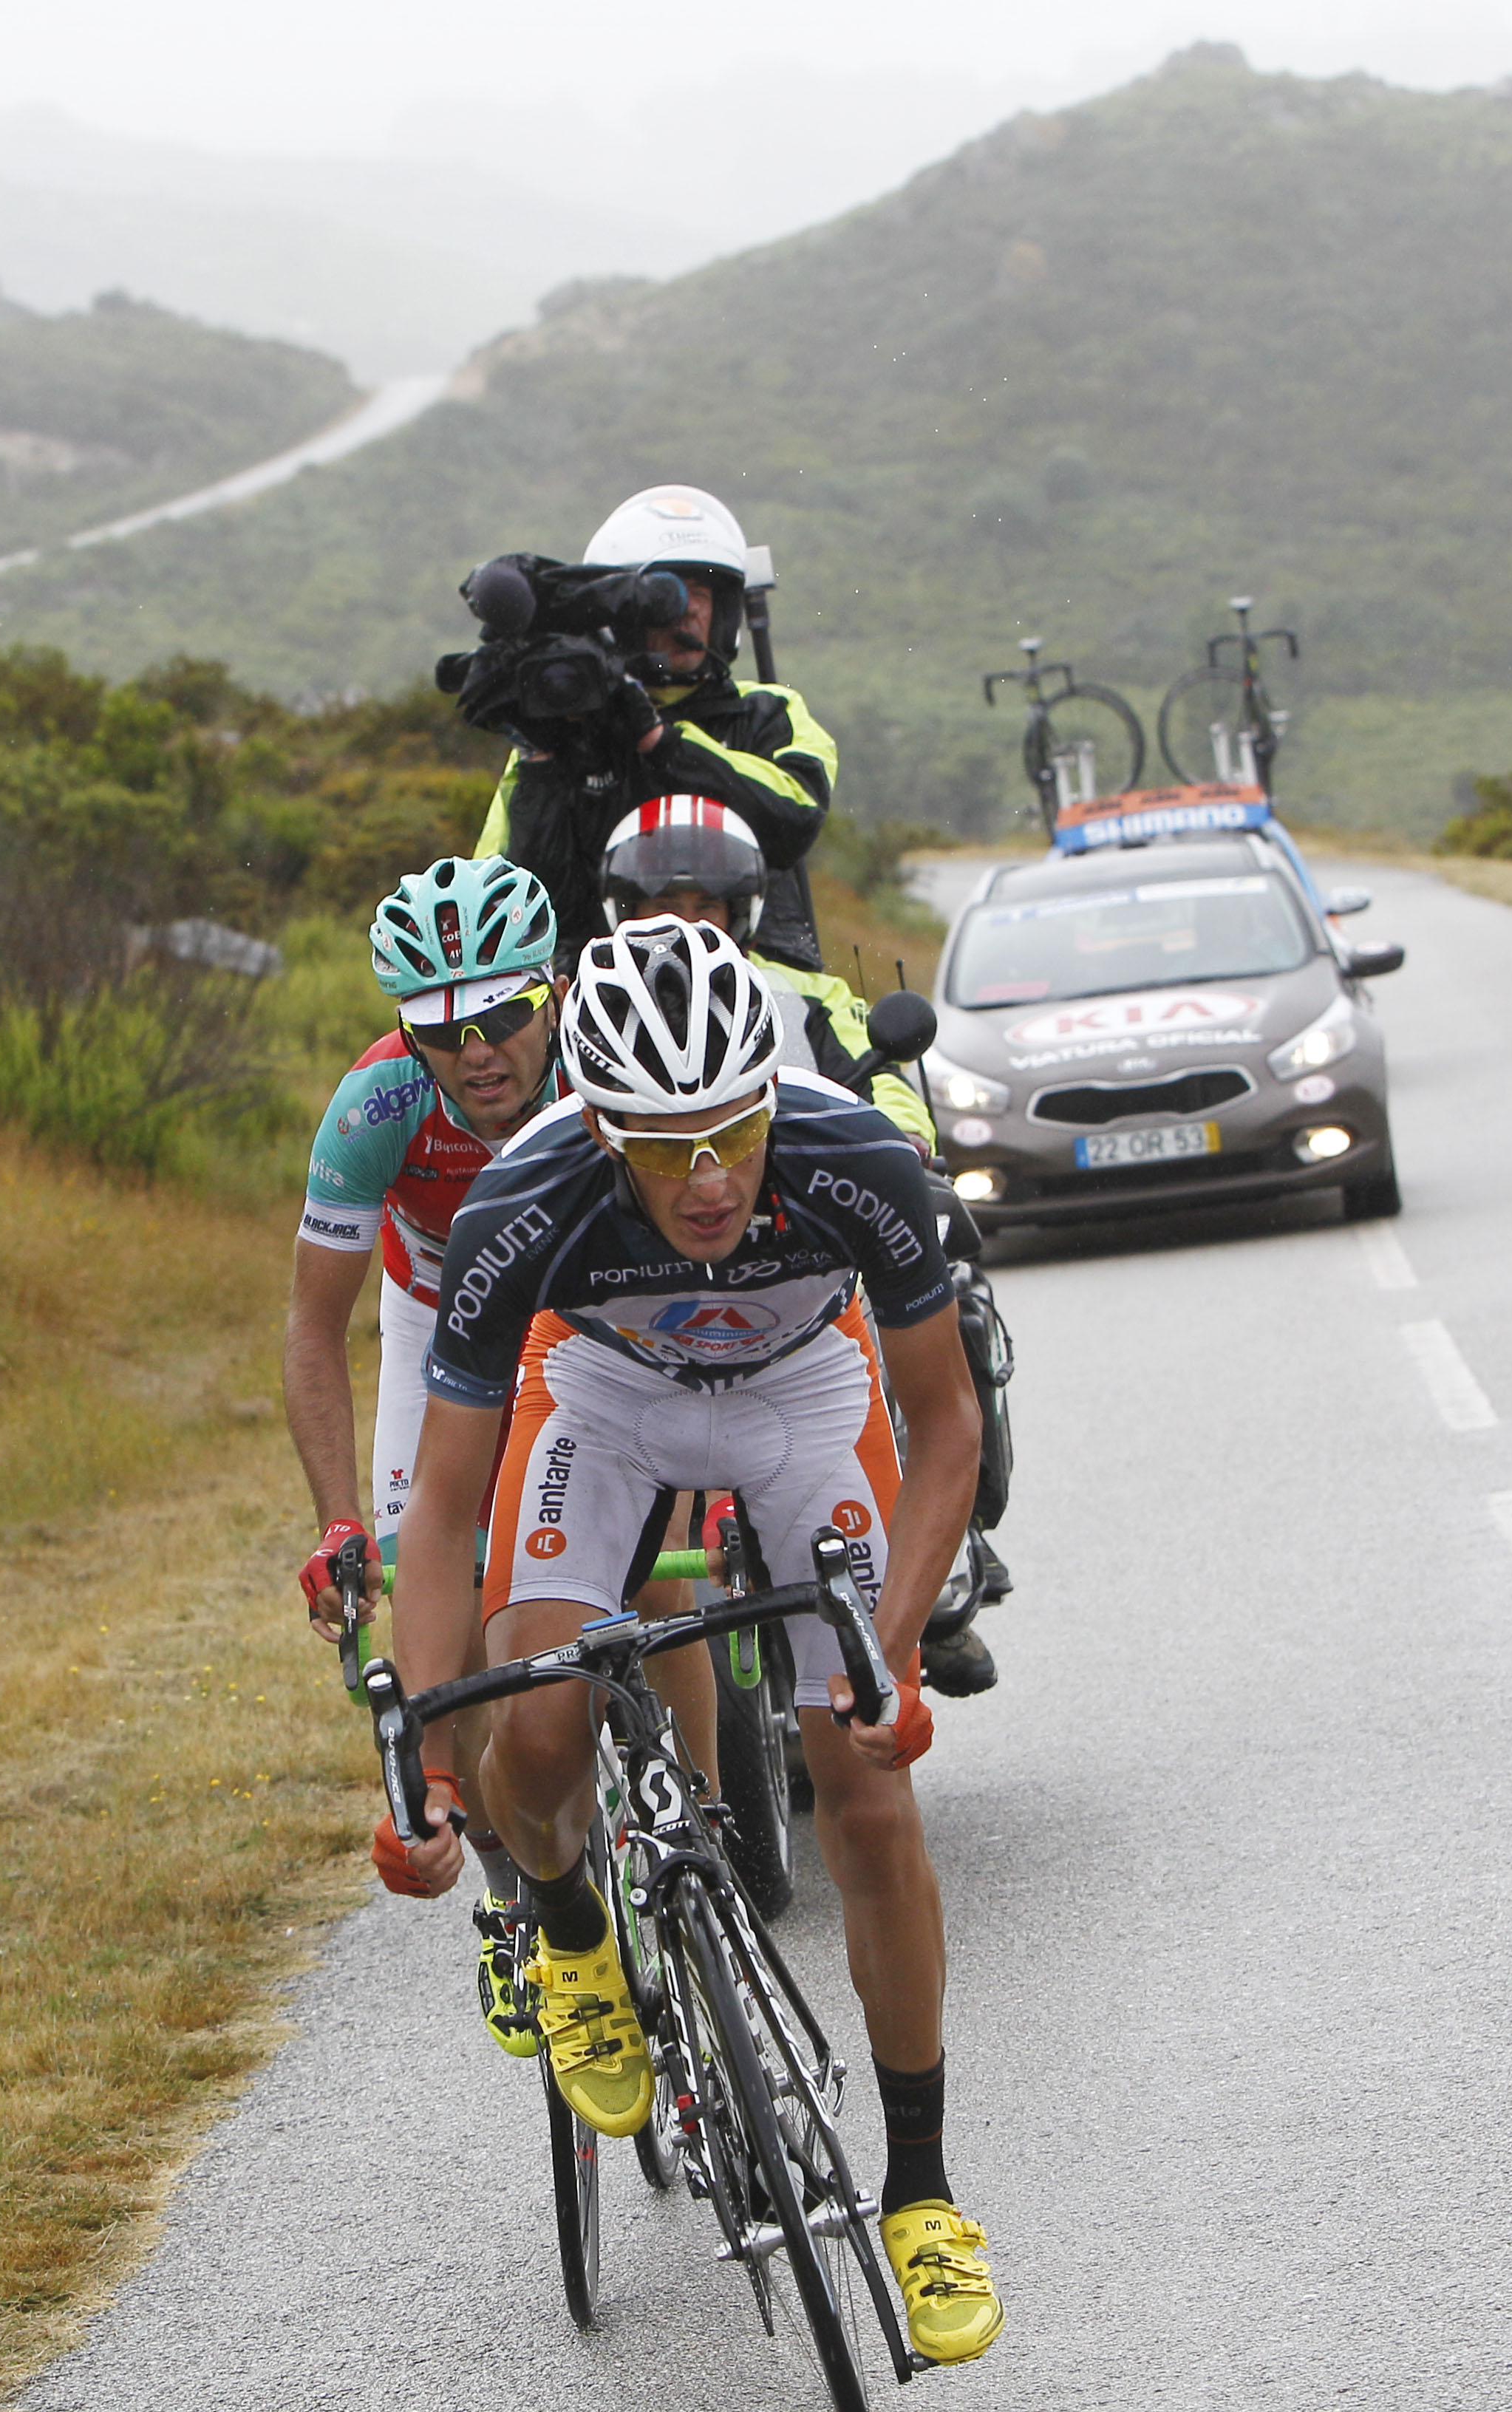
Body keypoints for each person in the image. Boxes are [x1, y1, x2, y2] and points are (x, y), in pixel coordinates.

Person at [385, 915, 1004, 2366]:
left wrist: (887, 1653)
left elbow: (946, 1425)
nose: (711, 1177)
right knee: (539, 1718)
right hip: (602, 1394)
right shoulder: (522, 1202)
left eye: (732, 1130)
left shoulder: (855, 1159)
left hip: (804, 1388)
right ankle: (571, 1935)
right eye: (666, 1149)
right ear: (601, 1128)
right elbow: (445, 1510)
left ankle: (920, 2193)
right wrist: (422, 1761)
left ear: (770, 1094)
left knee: (867, 1787)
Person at [282, 854, 715, 2059]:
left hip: (592, 1294)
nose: (476, 1054)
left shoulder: (607, 1062)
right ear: (406, 1034)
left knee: (648, 1563)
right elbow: (313, 1328)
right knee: (458, 1612)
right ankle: (511, 1889)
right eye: (439, 1031)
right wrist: (337, 1522)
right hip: (441, 1314)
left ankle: (701, 1818)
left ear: (553, 994)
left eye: (502, 1017)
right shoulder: (376, 1108)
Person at [594, 797, 1010, 1697]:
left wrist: (900, 1153)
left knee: (943, 1323)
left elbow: (885, 1085)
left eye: (706, 908)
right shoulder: (595, 1008)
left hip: (812, 1255)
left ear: (744, 912)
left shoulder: (811, 995)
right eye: (661, 908)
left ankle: (942, 1566)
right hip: (655, 1279)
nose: (686, 926)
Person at [474, 484, 838, 970]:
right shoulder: (565, 731)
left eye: (702, 593)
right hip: (598, 986)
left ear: (725, 611)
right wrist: (543, 761)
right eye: (665, 597)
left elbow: (795, 819)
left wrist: (661, 742)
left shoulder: (768, 711)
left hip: (763, 980)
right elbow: (502, 896)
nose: (688, 609)